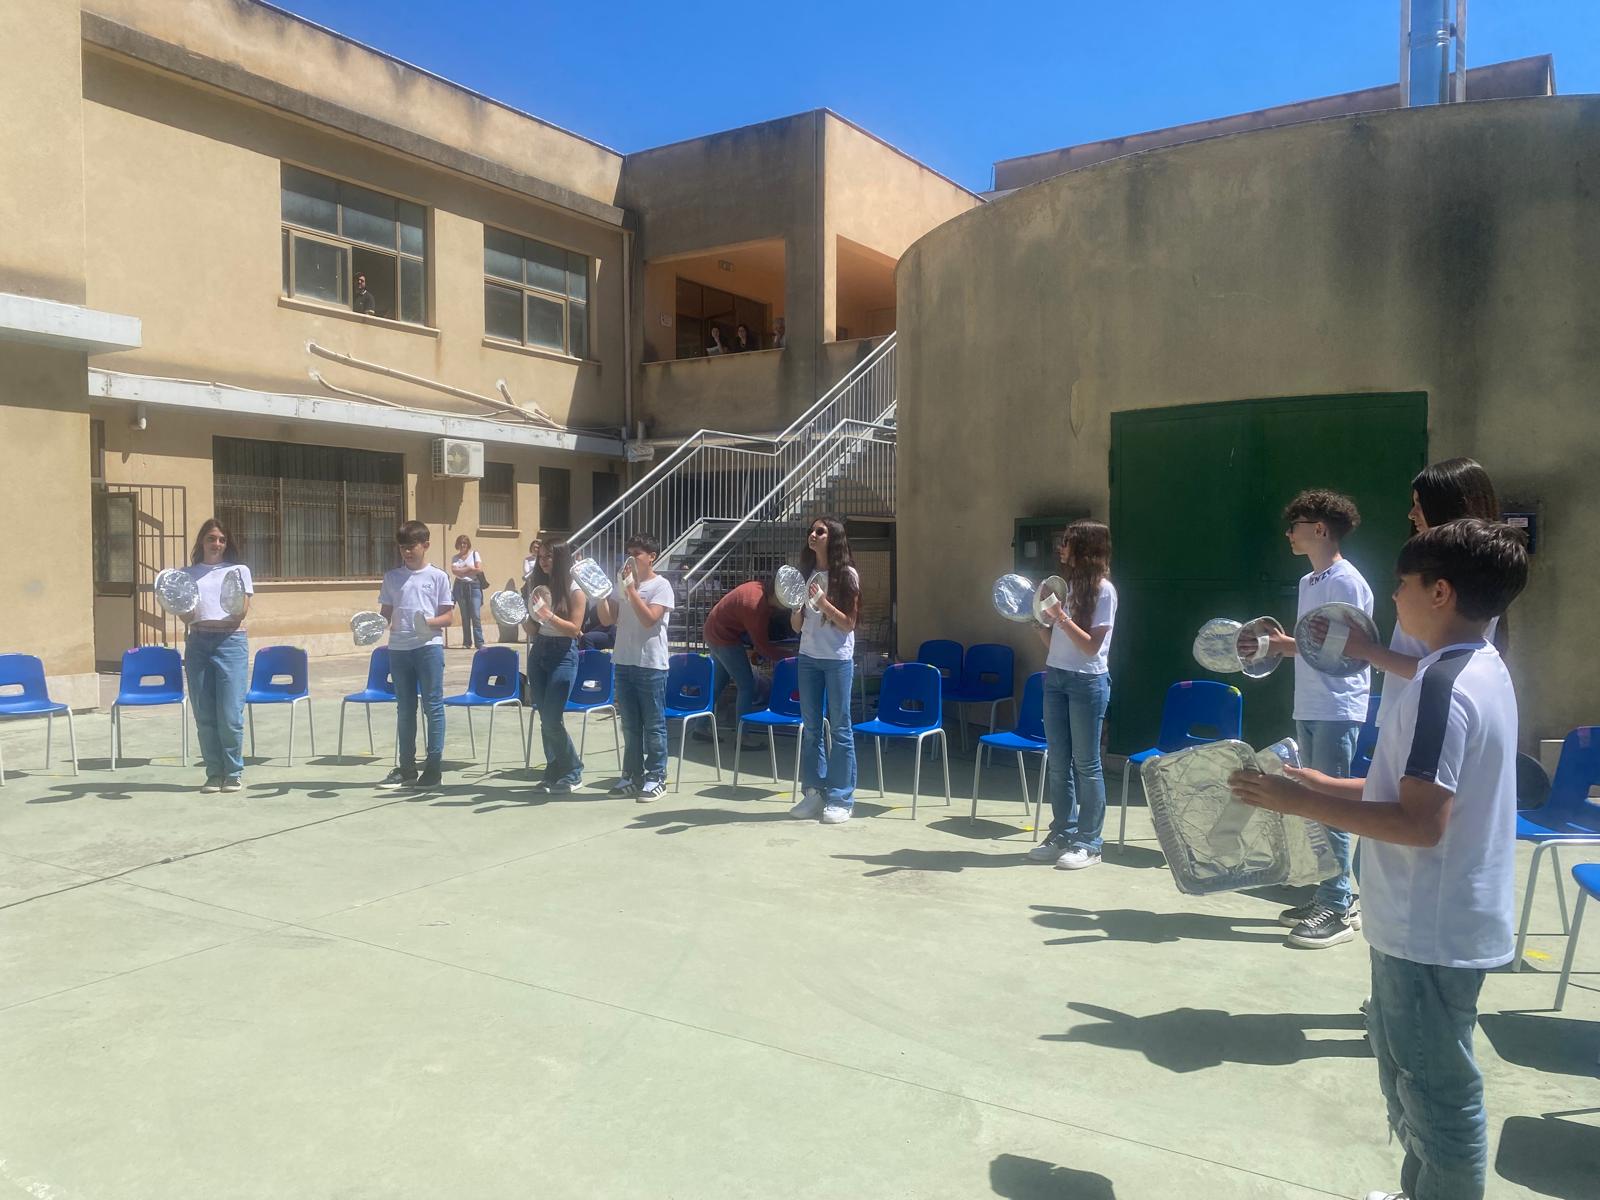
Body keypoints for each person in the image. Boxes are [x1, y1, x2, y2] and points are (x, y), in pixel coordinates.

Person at [1229, 518, 1529, 1200]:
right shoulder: (1479, 667)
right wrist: (1320, 785)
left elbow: (1419, 824)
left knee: (1436, 1095)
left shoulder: (1441, 687)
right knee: (1410, 1079)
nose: (1393, 598)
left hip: (1428, 930)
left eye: (1403, 584)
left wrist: (1297, 802)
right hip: (1434, 923)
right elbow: (1412, 792)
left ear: (1441, 592)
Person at [1250, 489, 1374, 948]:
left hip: (1339, 707)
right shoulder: (1309, 582)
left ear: (1319, 529)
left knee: (1329, 804)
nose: (1288, 534)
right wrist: (1270, 646)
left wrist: (1285, 645)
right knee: (1313, 802)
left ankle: (1337, 906)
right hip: (1309, 703)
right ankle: (1330, 892)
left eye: (1295, 526)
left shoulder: (1347, 581)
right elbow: (1311, 646)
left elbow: (1348, 647)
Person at [1343, 458, 1508, 712]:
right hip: (1406, 711)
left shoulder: (1471, 579)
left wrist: (1368, 650)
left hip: (1428, 712)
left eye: (1421, 504)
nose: (1411, 514)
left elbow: (1447, 669)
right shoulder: (1444, 567)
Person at [1025, 520, 1116, 869]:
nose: (1061, 549)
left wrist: (1060, 616)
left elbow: (1091, 648)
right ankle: (1062, 832)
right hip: (1056, 678)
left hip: (1087, 683)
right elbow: (1060, 646)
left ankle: (1089, 843)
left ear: (1087, 549)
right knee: (1058, 762)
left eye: (1067, 542)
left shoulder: (1105, 591)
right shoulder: (1067, 587)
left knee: (1087, 764)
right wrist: (1039, 625)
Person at [789, 516, 860, 825]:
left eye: (821, 531)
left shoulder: (847, 574)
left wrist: (823, 602)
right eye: (812, 530)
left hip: (837, 659)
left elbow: (849, 623)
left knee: (841, 729)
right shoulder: (806, 574)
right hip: (808, 657)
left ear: (834, 538)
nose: (813, 535)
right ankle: (814, 793)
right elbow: (797, 626)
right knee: (811, 729)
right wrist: (796, 609)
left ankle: (841, 798)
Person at [378, 520, 454, 791]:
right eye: (402, 548)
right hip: (399, 650)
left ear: (426, 545)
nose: (407, 552)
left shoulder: (438, 577)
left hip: (428, 648)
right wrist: (370, 626)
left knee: (433, 707)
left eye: (412, 546)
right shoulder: (392, 577)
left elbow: (448, 617)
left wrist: (428, 622)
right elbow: (384, 615)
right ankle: (407, 769)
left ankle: (433, 770)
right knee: (405, 709)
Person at [179, 518, 254, 794]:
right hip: (198, 642)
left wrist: (233, 602)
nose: (217, 544)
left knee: (230, 714)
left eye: (222, 539)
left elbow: (240, 612)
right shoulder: (187, 574)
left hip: (231, 642)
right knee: (204, 714)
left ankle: (233, 773)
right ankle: (213, 773)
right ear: (202, 541)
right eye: (211, 538)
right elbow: (186, 616)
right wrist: (175, 602)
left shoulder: (238, 571)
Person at [597, 534, 675, 800]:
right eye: (628, 553)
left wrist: (631, 591)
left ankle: (656, 776)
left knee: (653, 725)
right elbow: (608, 619)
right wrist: (601, 596)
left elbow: (649, 619)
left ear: (651, 557)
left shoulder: (661, 586)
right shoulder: (622, 585)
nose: (630, 559)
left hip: (651, 665)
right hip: (623, 662)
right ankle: (631, 775)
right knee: (630, 726)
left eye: (637, 554)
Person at [523, 541, 586, 794]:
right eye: (540, 557)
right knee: (544, 717)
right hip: (539, 650)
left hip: (563, 653)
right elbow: (533, 628)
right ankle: (553, 768)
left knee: (551, 718)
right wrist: (524, 619)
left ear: (561, 558)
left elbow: (574, 629)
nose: (544, 561)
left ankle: (573, 770)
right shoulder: (539, 587)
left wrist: (547, 614)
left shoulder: (575, 589)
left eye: (549, 556)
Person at [701, 576, 790, 746]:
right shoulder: (756, 605)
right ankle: (743, 737)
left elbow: (756, 637)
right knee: (746, 685)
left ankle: (700, 726)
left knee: (719, 683)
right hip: (724, 637)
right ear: (779, 596)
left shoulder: (758, 589)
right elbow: (763, 647)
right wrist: (791, 657)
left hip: (714, 631)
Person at [450, 534, 485, 649]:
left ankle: (479, 643)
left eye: (464, 543)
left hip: (474, 586)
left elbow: (479, 569)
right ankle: (467, 642)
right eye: (460, 543)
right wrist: (470, 568)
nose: (462, 545)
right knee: (465, 616)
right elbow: (454, 571)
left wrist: (463, 570)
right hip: (460, 587)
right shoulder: (455, 558)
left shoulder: (474, 554)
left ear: (468, 544)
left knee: (476, 615)